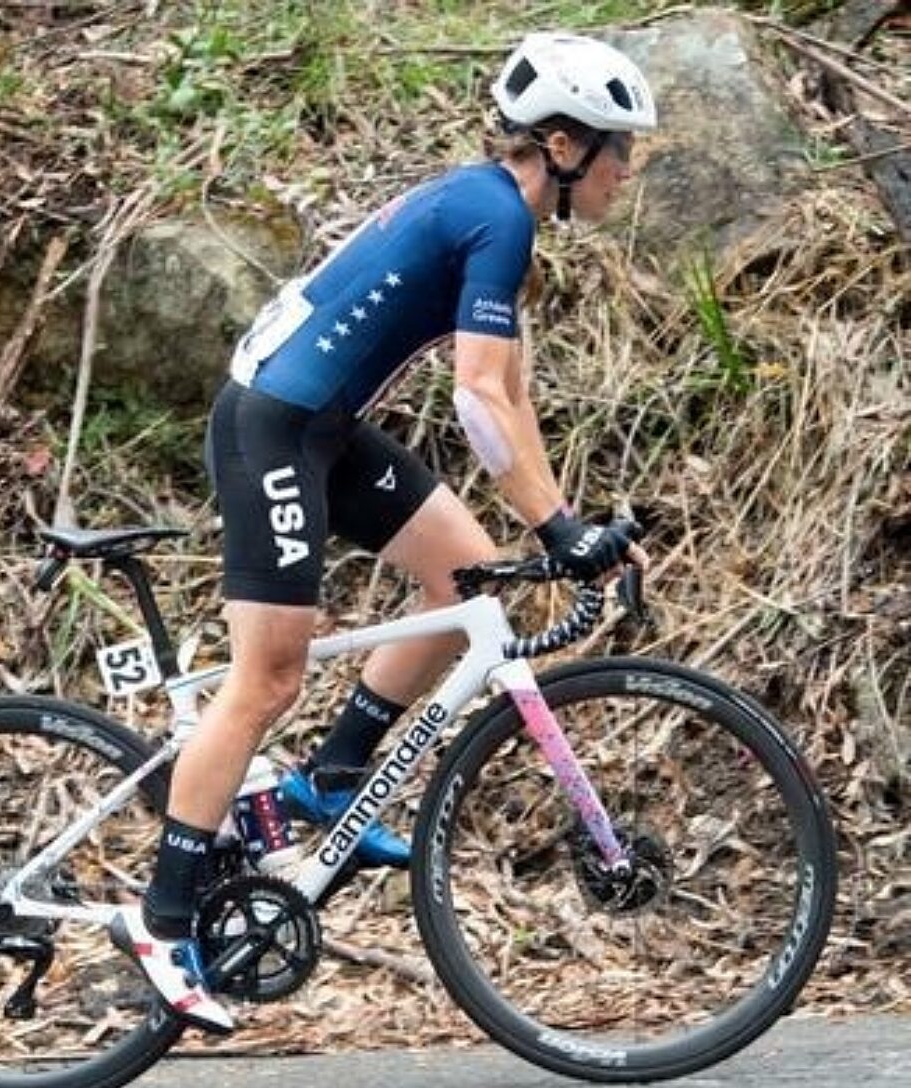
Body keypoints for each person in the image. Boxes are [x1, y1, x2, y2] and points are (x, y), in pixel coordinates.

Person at [111, 32, 656, 1032]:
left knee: (466, 578)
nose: (628, 171)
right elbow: (475, 397)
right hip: (273, 428)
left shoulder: (491, 210)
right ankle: (164, 917)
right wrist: (553, 526)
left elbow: (512, 396)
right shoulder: (498, 218)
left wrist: (568, 527)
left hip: (318, 426)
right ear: (566, 146)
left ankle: (331, 783)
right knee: (268, 678)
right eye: (621, 150)